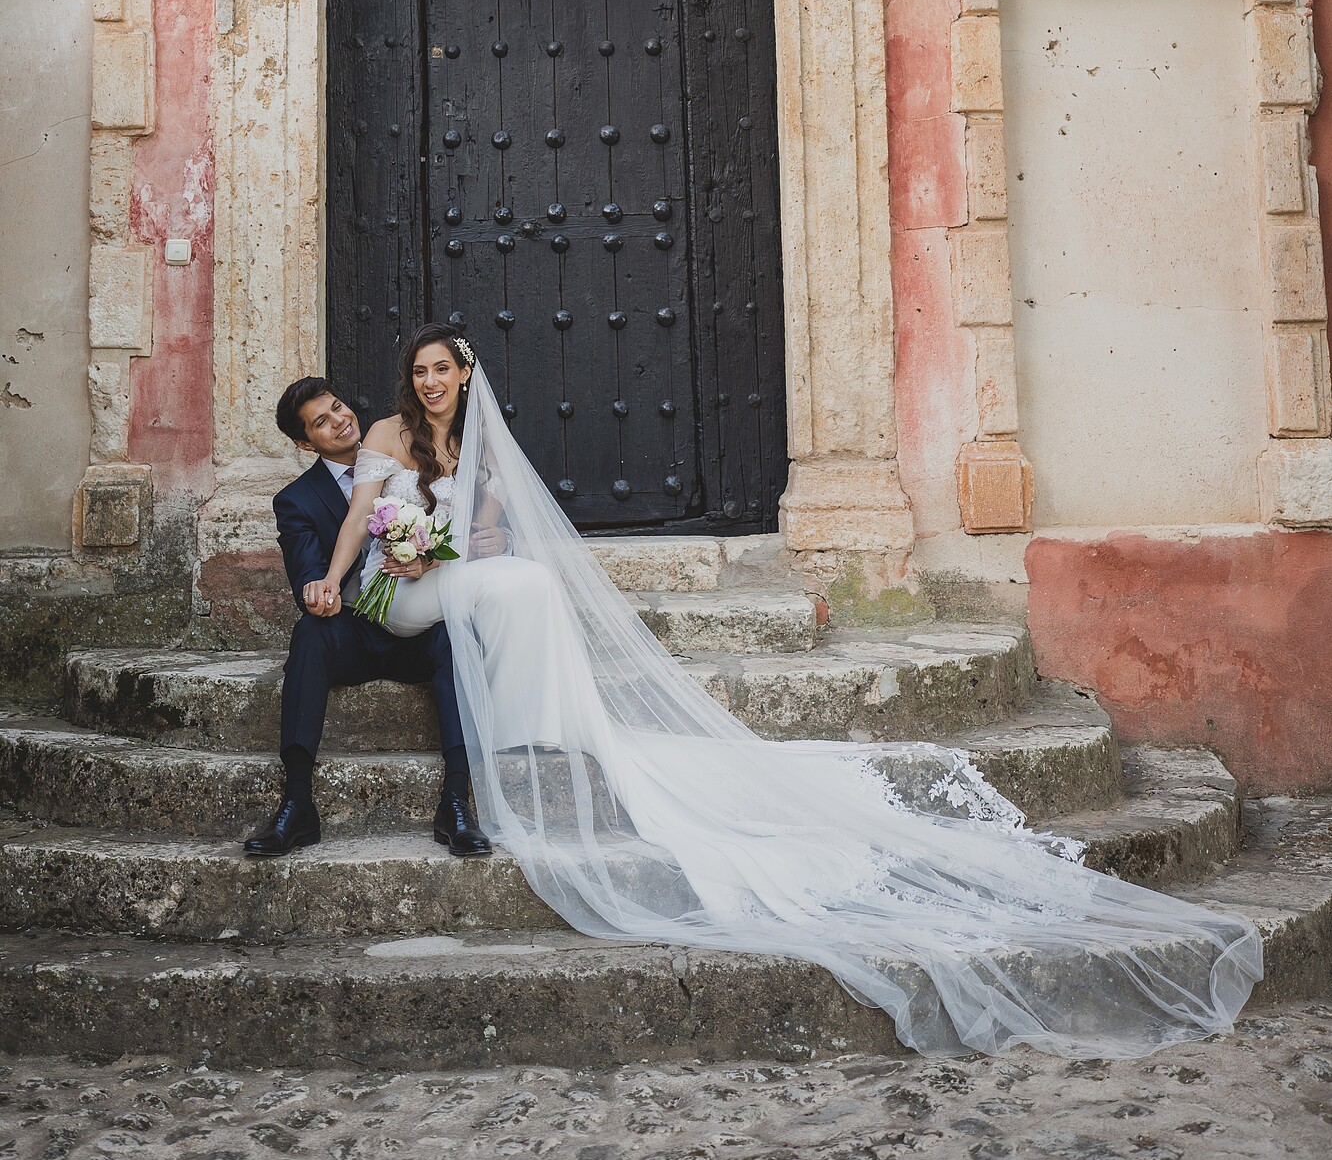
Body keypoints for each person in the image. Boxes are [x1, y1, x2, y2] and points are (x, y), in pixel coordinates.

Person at [301, 320, 1264, 1062]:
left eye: (441, 368)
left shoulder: (486, 443)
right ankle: (526, 722)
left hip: (454, 573)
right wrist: (349, 572)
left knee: (525, 578)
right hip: (398, 591)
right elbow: (357, 517)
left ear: (464, 375)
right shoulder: (387, 432)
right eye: (419, 369)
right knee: (498, 584)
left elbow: (500, 538)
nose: (429, 382)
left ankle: (539, 723)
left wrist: (464, 540)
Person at [241, 375, 491, 859]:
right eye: (321, 421)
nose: (339, 420)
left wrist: (468, 547)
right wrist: (318, 590)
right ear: (302, 442)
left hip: (420, 624)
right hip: (355, 628)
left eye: (338, 406)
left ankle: (457, 802)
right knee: (310, 633)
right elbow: (309, 573)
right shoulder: (296, 499)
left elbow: (469, 525)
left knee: (458, 637)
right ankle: (296, 803)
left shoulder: (413, 451)